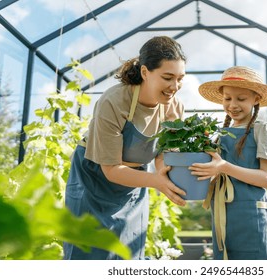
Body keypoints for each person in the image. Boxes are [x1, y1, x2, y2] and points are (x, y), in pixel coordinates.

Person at [63, 36, 187, 260]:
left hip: (135, 180)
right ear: (145, 72)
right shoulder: (115, 101)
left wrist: (163, 172)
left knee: (129, 253)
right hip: (93, 178)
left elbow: (164, 153)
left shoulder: (174, 107)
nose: (174, 87)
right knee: (87, 252)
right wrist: (158, 182)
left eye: (180, 79)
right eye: (167, 77)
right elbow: (110, 170)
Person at [190, 66, 267, 260]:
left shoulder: (263, 130)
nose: (233, 105)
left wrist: (224, 167)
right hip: (223, 215)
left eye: (241, 99)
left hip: (252, 218)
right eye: (227, 98)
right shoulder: (221, 134)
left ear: (256, 99)